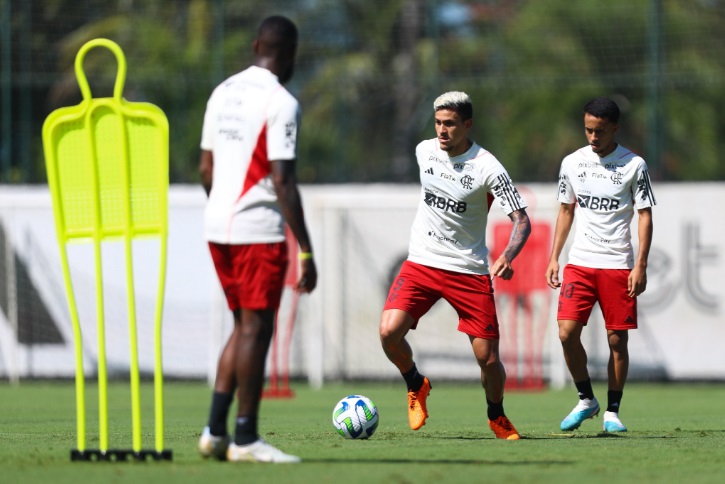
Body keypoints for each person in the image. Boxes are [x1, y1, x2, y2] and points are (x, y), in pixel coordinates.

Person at [196, 15, 317, 463]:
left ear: (255, 46)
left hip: (217, 227)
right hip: (256, 232)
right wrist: (305, 248)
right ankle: (245, 438)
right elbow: (283, 182)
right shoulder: (281, 101)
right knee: (257, 330)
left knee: (242, 327)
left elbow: (206, 169)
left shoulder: (222, 92)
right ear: (289, 55)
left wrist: (223, 211)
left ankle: (214, 431)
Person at [379, 91, 531, 440]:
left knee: (488, 360)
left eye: (450, 124)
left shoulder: (488, 167)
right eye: (438, 123)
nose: (442, 131)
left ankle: (496, 415)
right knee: (388, 332)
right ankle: (416, 383)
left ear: (468, 124)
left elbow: (521, 220)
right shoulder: (424, 151)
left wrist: (508, 254)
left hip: (468, 269)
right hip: (422, 261)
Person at [545, 97, 655, 433]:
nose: (593, 136)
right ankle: (585, 399)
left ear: (615, 129)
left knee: (617, 341)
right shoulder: (573, 163)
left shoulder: (634, 165)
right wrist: (554, 257)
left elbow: (645, 215)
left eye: (600, 131)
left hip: (618, 265)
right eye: (588, 129)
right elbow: (566, 210)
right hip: (580, 263)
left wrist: (640, 265)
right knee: (566, 333)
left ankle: (612, 412)